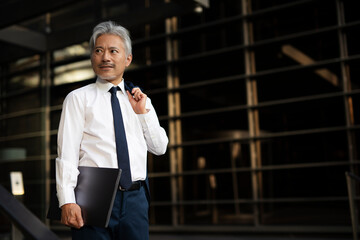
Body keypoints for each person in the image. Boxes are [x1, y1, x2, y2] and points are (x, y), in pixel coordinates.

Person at [55, 21, 168, 240]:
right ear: (92, 57)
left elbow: (160, 148)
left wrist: (142, 114)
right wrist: (67, 200)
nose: (105, 57)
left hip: (136, 199)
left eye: (113, 51)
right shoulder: (78, 98)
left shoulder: (140, 100)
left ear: (127, 59)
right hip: (92, 198)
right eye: (99, 51)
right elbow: (67, 154)